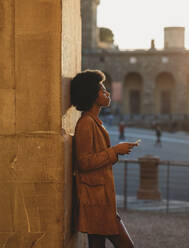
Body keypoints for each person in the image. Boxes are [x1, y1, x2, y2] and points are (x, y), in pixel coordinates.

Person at [71, 70, 136, 248]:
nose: (107, 93)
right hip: (96, 202)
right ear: (92, 96)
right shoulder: (86, 123)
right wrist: (114, 151)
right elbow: (83, 162)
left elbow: (95, 159)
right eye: (102, 91)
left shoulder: (93, 122)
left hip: (100, 200)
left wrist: (115, 152)